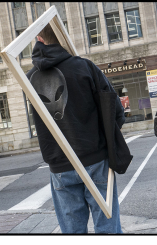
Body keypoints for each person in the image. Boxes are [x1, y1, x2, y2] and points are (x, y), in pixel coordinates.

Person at [26, 24, 124, 233]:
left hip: (60, 165)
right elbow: (115, 111)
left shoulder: (28, 78)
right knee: (108, 228)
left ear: (39, 39)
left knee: (72, 231)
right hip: (94, 158)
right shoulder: (84, 67)